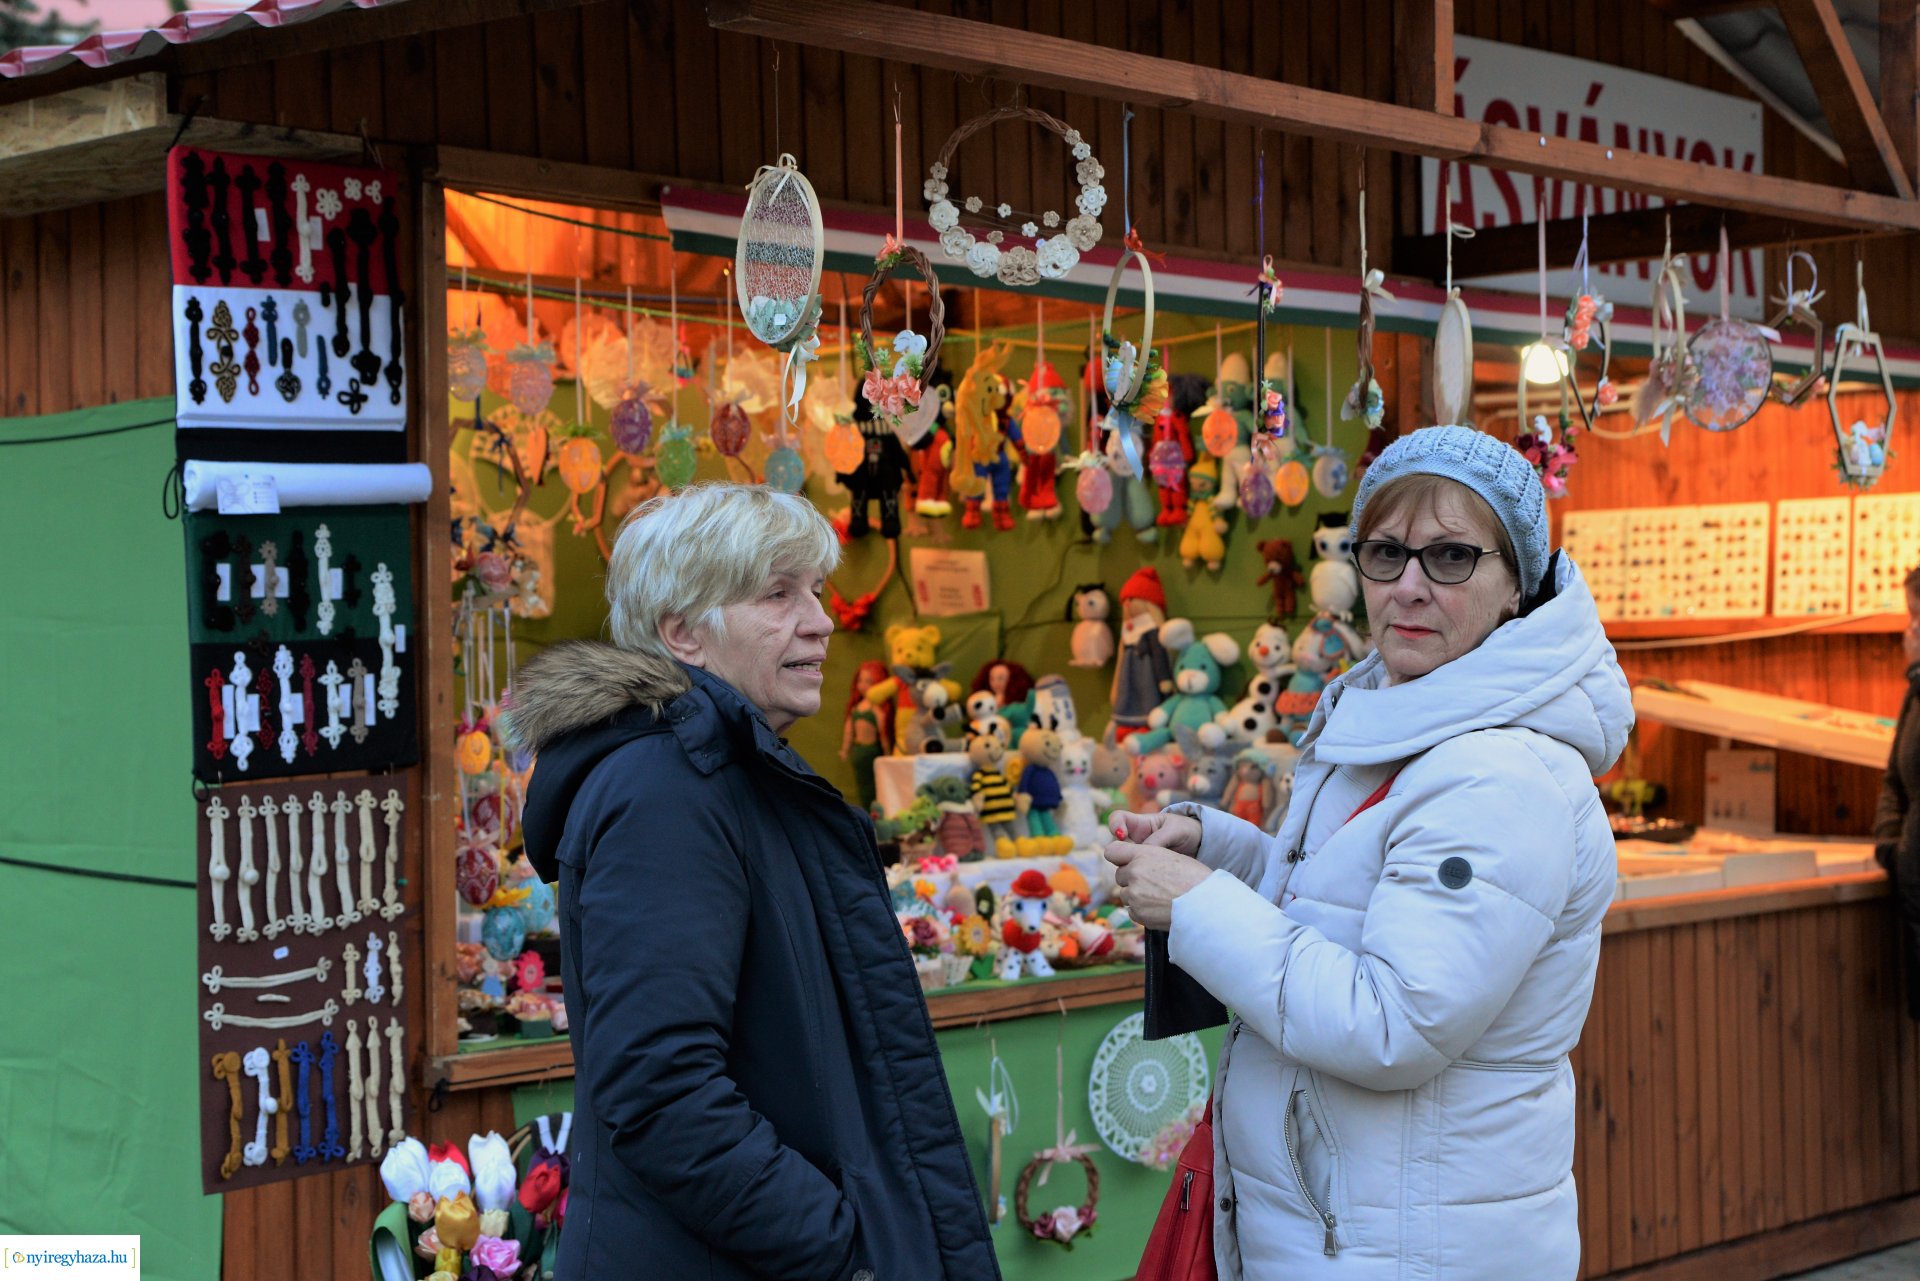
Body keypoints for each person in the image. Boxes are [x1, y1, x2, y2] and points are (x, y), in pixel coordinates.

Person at [1105, 426, 1632, 1280]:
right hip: (1351, 1231)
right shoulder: (1402, 711)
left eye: (1452, 556)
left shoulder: (1500, 771)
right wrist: (1225, 852)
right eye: (1385, 554)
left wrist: (1198, 905)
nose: (1410, 587)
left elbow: (1394, 1020)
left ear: (1515, 585)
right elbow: (1352, 902)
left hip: (1412, 1251)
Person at [505, 483, 998, 1281]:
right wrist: (845, 1250)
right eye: (777, 594)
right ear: (682, 633)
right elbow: (663, 1092)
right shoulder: (665, 789)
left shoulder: (734, 773)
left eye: (814, 590)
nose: (820, 619)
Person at [1874, 566, 1920, 1019]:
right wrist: (1892, 848)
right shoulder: (1916, 688)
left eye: (1916, 616)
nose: (1910, 629)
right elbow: (1894, 778)